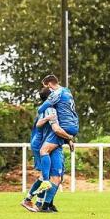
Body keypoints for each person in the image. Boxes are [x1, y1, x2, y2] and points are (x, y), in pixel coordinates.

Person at [21, 86, 74, 212]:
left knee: (54, 177)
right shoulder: (50, 109)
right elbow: (55, 129)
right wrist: (69, 137)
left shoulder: (45, 109)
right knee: (49, 177)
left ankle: (43, 204)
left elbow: (41, 124)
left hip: (47, 144)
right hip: (45, 145)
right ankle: (31, 201)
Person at [34, 74, 79, 206]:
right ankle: (47, 205)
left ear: (49, 85)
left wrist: (68, 137)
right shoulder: (67, 91)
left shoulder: (56, 94)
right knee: (58, 175)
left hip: (62, 128)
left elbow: (40, 109)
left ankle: (40, 191)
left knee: (44, 151)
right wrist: (70, 138)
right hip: (72, 126)